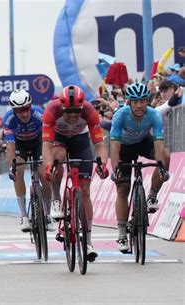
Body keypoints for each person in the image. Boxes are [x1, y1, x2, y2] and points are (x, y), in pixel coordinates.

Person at [42, 85, 109, 262]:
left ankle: (87, 241)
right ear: (62, 106)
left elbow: (100, 145)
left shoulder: (89, 111)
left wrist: (102, 163)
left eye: (76, 111)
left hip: (80, 141)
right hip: (59, 138)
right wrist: (49, 166)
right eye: (69, 111)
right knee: (59, 157)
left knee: (85, 191)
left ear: (82, 107)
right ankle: (56, 199)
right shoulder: (51, 110)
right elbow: (47, 145)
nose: (72, 115)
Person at [109, 82, 170, 252]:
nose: (139, 105)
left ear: (147, 101)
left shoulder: (154, 115)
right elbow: (114, 146)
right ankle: (122, 234)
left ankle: (152, 196)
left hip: (143, 142)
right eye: (135, 102)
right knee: (123, 188)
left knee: (165, 155)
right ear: (129, 102)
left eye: (143, 101)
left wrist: (161, 167)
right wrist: (116, 169)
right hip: (124, 148)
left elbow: (158, 144)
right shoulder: (121, 115)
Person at [3, 89, 54, 232]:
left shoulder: (39, 115)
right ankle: (24, 216)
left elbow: (48, 140)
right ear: (13, 110)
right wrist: (11, 167)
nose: (24, 113)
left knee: (45, 176)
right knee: (17, 171)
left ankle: (48, 214)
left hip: (39, 143)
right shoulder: (9, 119)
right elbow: (10, 147)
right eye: (20, 111)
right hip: (20, 145)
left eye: (26, 109)